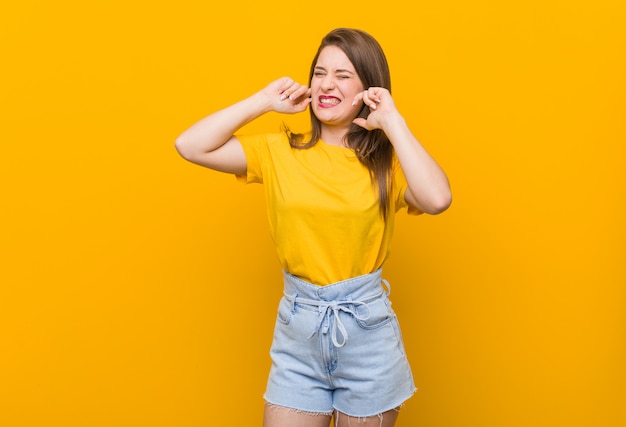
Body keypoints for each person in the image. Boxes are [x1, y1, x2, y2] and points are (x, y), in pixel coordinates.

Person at [175, 28, 451, 427]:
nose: (325, 84)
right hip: (298, 332)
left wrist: (391, 121)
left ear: (368, 88)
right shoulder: (277, 151)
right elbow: (190, 145)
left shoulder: (386, 166)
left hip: (367, 334)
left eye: (342, 75)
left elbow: (437, 199)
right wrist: (264, 102)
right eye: (319, 72)